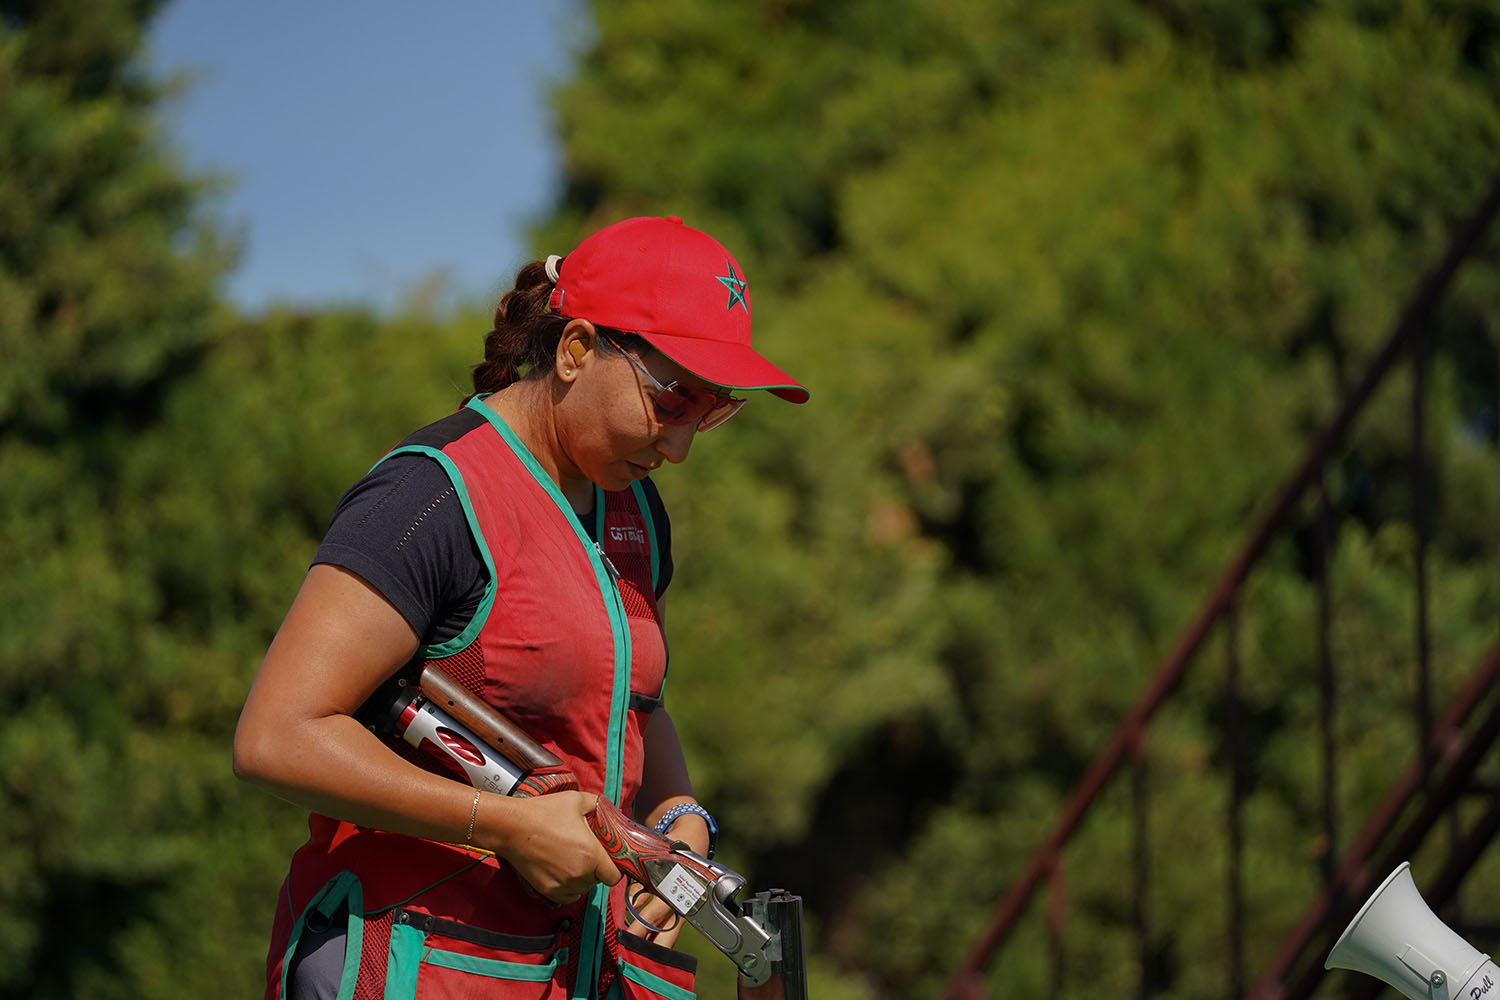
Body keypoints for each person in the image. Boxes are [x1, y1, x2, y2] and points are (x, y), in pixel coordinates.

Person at [233, 215, 808, 1000]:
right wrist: (503, 824)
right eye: (673, 401)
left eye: (712, 410)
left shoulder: (639, 514)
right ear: (576, 350)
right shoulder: (428, 496)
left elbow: (636, 705)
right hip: (412, 967)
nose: (680, 449)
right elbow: (277, 736)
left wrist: (681, 817)